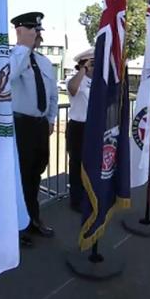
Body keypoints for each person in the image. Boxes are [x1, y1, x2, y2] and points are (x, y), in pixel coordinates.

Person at [8, 11, 59, 245]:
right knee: (18, 178)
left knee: (35, 176)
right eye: (34, 30)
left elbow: (52, 95)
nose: (38, 35)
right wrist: (22, 47)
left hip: (39, 127)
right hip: (20, 126)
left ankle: (33, 220)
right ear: (20, 31)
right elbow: (8, 77)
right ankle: (17, 228)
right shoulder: (12, 57)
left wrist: (50, 119)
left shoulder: (45, 62)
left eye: (39, 31)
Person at [65, 48, 94, 212]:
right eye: (92, 63)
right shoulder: (75, 79)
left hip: (92, 127)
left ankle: (89, 195)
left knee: (91, 164)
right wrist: (83, 69)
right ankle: (76, 200)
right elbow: (73, 89)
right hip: (78, 127)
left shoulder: (96, 81)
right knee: (76, 164)